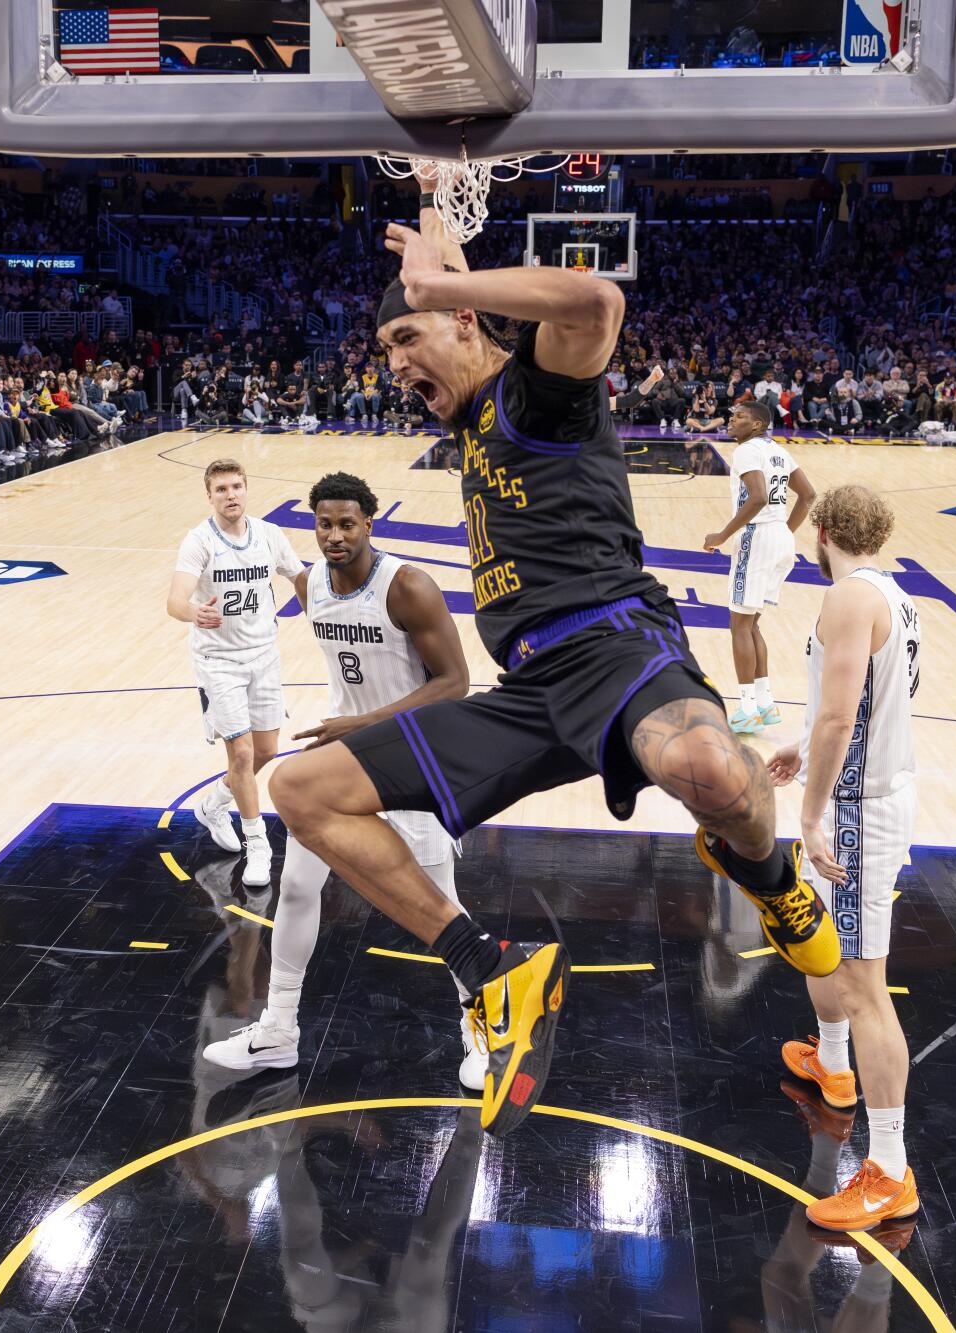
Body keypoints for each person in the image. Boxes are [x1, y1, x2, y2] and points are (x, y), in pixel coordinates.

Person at [267, 191, 840, 1139]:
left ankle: (770, 876)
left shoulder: (540, 392)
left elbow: (596, 307)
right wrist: (438, 232)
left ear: (463, 319)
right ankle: (489, 971)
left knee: (708, 772)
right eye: (385, 353)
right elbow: (458, 330)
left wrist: (450, 277)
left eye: (407, 339)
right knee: (301, 792)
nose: (396, 364)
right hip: (526, 692)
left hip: (614, 645)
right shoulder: (463, 420)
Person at [202, 471, 485, 1087]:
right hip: (345, 765)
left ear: (368, 524)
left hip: (412, 759)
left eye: (346, 524)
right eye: (324, 524)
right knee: (298, 888)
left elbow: (455, 682)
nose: (333, 535)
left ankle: (483, 1030)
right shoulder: (312, 590)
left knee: (440, 904)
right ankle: (278, 1030)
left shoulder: (408, 585)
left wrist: (364, 722)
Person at [764, 485, 921, 1233]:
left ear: (820, 530)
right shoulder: (890, 592)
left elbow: (840, 713)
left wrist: (810, 811)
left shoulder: (848, 601)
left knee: (863, 986)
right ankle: (832, 1064)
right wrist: (805, 742)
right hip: (868, 794)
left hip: (856, 811)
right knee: (819, 948)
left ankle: (890, 1170)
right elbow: (852, 707)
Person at [168, 459, 307, 888]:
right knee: (242, 755)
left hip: (264, 654)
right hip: (218, 661)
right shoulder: (199, 541)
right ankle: (257, 843)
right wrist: (195, 613)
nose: (230, 495)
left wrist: (321, 613)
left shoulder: (268, 535)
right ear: (209, 496)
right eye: (221, 489)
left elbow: (300, 577)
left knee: (265, 749)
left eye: (236, 487)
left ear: (246, 490)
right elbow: (174, 601)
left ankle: (213, 805)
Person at [701, 400, 815, 734]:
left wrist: (722, 535)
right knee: (752, 626)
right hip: (779, 537)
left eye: (739, 417)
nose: (730, 420)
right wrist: (781, 534)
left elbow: (759, 497)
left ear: (757, 424)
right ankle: (765, 704)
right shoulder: (778, 450)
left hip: (758, 537)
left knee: (739, 626)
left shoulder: (747, 450)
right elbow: (808, 495)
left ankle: (747, 709)